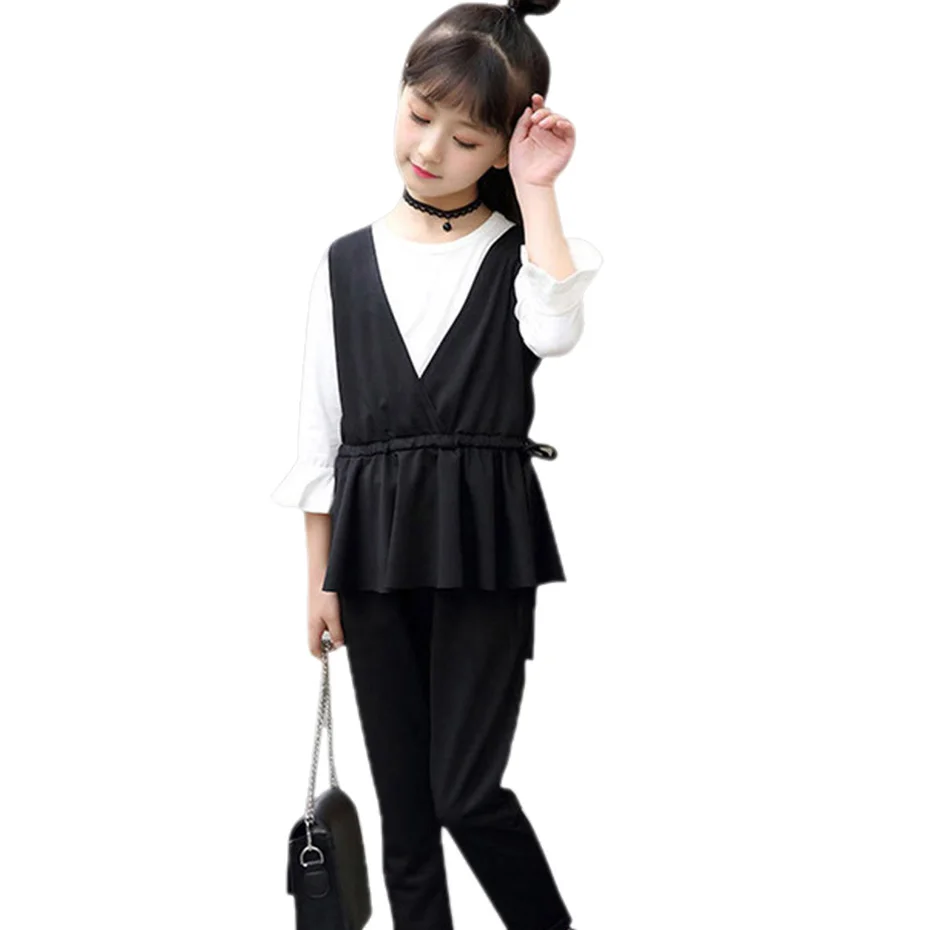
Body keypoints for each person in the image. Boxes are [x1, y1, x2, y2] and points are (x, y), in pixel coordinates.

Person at [272, 1, 603, 927]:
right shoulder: (344, 263)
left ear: (501, 148)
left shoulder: (522, 254)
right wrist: (320, 581)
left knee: (465, 792)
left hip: (484, 543)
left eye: (465, 139)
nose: (430, 149)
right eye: (420, 115)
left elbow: (555, 330)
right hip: (370, 553)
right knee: (407, 817)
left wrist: (538, 189)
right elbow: (320, 435)